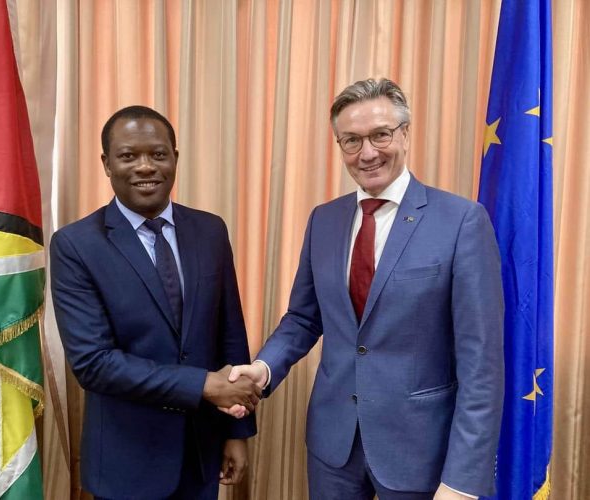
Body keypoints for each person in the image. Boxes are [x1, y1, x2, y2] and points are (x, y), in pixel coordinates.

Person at [227, 78, 504, 500]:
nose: (368, 153)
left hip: (420, 453)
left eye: (380, 134)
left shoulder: (462, 222)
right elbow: (304, 317)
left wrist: (463, 480)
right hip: (332, 448)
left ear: (405, 134)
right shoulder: (324, 220)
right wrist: (263, 368)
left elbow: (481, 364)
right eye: (351, 140)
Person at [50, 105, 261, 500]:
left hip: (201, 455)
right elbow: (94, 363)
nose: (146, 167)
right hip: (126, 462)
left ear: (175, 159)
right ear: (107, 163)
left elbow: (230, 335)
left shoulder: (210, 230)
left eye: (158, 154)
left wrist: (236, 431)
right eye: (129, 156)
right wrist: (202, 385)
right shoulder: (76, 245)